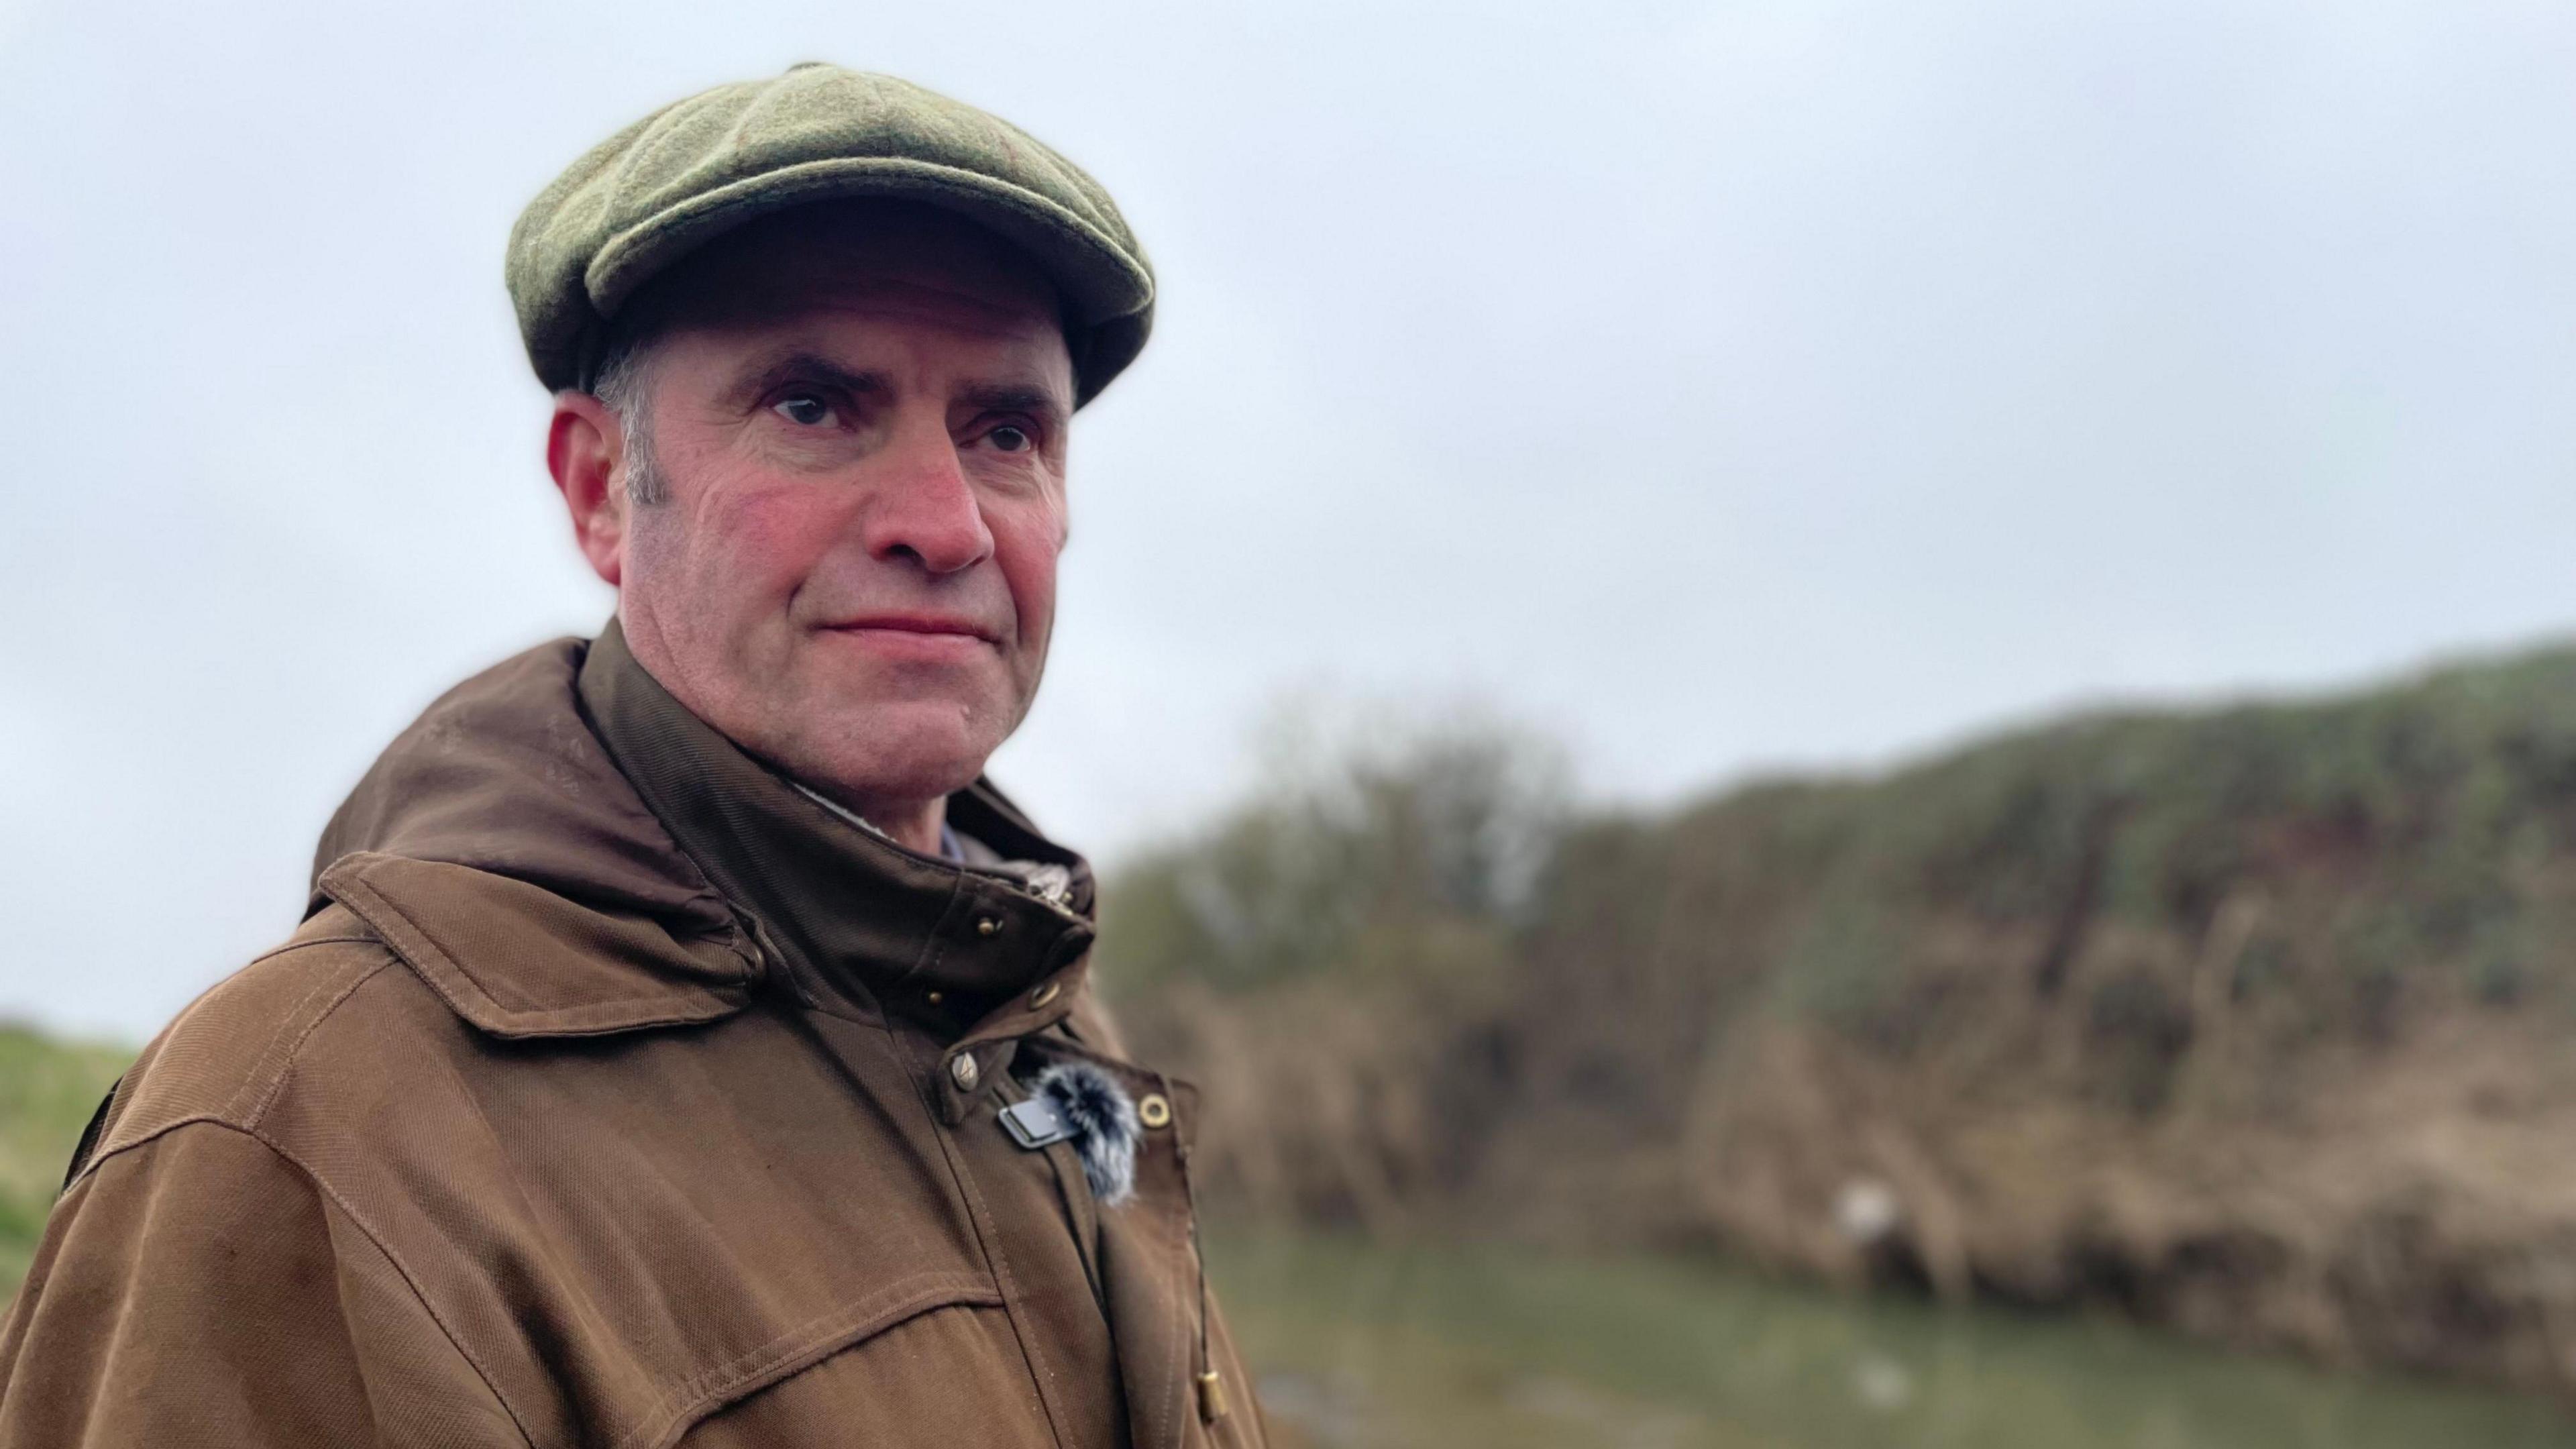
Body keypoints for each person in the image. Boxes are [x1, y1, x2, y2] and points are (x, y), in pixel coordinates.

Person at [0, 64, 1265, 1448]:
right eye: (815, 406)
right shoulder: (302, 1133)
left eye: (1008, 430)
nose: (945, 521)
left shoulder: (1036, 1013)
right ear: (604, 490)